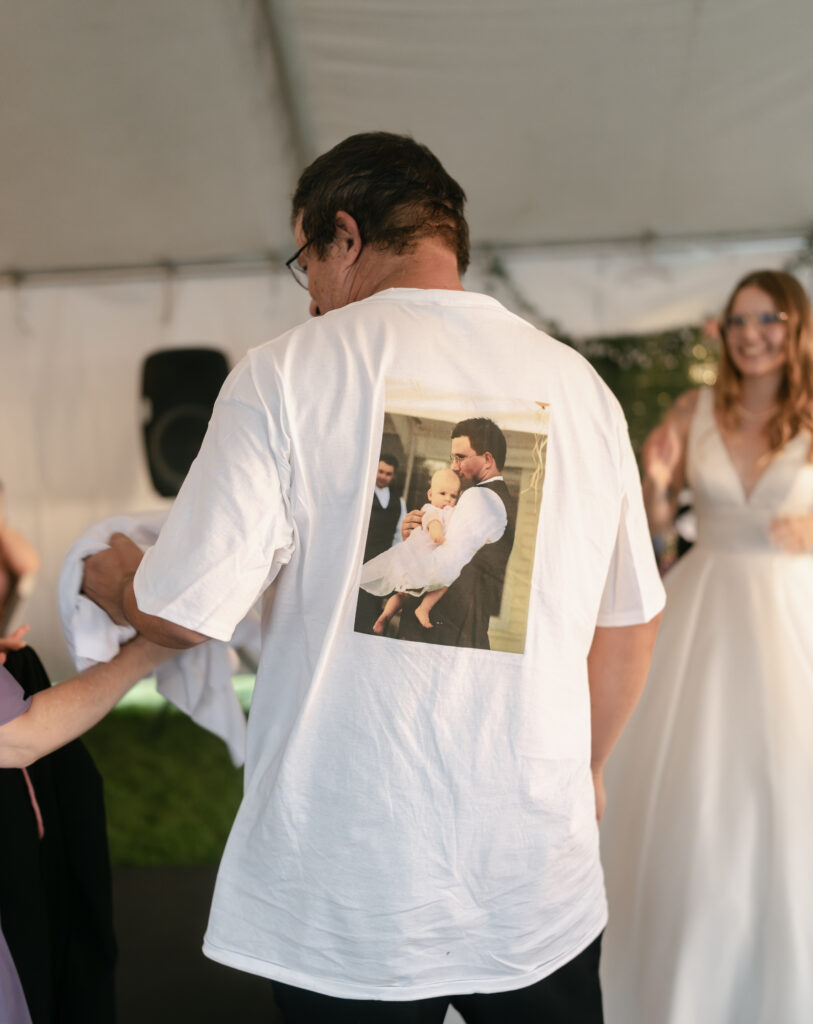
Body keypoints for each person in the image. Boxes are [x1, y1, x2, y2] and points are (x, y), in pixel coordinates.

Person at [82, 131, 664, 1023]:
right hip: (532, 869)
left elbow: (181, 611)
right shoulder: (580, 389)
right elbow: (625, 622)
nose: (311, 294)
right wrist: (583, 771)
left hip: (347, 885)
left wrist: (121, 580)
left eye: (302, 260)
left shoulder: (283, 374)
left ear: (343, 238)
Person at [600, 269, 813, 1024]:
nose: (752, 334)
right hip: (702, 609)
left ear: (795, 328)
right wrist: (650, 496)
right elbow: (646, 511)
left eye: (769, 320)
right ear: (721, 333)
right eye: (739, 320)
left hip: (797, 614)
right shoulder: (693, 410)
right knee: (694, 784)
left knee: (786, 787)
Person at [397, 417, 515, 650]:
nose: (453, 466)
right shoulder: (493, 498)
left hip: (441, 633)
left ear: (488, 459)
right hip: (456, 632)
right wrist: (413, 536)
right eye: (453, 458)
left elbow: (446, 561)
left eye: (460, 457)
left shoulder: (479, 497)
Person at [361, 466, 461, 633]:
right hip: (424, 561)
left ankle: (385, 616)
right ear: (430, 495)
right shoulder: (432, 511)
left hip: (413, 560)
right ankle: (424, 609)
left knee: (402, 594)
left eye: (453, 496)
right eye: (442, 494)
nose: (448, 500)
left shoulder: (446, 512)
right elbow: (436, 533)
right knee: (446, 581)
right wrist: (445, 542)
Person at [354, 453, 406, 633]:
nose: (383, 476)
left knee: (373, 608)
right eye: (381, 471)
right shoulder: (362, 494)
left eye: (388, 474)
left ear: (394, 476)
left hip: (381, 564)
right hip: (358, 561)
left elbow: (400, 536)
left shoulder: (398, 502)